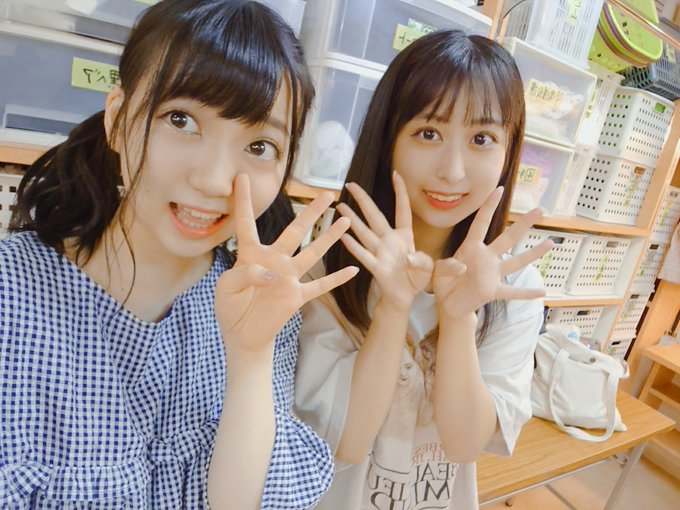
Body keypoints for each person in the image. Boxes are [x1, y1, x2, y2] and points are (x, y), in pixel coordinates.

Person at [0, 1, 358, 508]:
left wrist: (250, 357)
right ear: (118, 119)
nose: (213, 180)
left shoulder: (260, 304)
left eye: (259, 146)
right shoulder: (11, 292)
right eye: (181, 119)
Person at [294, 30, 554, 510]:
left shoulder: (514, 286)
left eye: (481, 139)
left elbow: (465, 444)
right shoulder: (331, 265)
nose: (452, 171)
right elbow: (347, 442)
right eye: (428, 133)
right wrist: (393, 307)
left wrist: (458, 319)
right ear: (388, 138)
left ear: (508, 153)